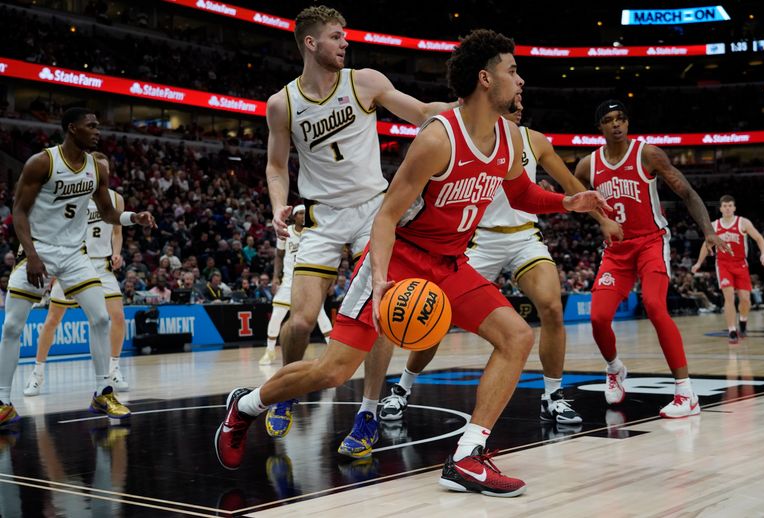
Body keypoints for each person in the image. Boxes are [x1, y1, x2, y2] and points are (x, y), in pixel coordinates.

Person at [215, 28, 608, 496]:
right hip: (401, 257)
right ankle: (247, 405)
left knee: (516, 336)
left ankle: (467, 456)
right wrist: (379, 280)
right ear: (485, 79)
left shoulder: (508, 137)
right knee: (334, 370)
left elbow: (521, 193)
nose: (520, 80)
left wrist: (567, 203)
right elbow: (386, 216)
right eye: (512, 70)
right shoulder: (439, 139)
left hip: (449, 262)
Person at [263, 5, 457, 445]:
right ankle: (284, 393)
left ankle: (367, 413)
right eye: (336, 36)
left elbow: (424, 111)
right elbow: (277, 166)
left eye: (345, 36)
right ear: (311, 43)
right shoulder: (282, 104)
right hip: (321, 217)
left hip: (374, 210)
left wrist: (469, 107)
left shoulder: (364, 81)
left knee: (384, 314)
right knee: (299, 322)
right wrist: (278, 204)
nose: (345, 43)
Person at [375, 101, 624, 428]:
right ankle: (403, 387)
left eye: (522, 94)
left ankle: (553, 395)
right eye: (513, 90)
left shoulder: (532, 140)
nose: (519, 100)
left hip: (523, 236)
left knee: (551, 306)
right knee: (436, 310)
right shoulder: (467, 137)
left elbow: (569, 185)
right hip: (478, 238)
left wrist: (601, 219)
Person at [574, 100, 729, 419]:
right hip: (616, 249)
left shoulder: (648, 154)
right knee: (598, 318)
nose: (616, 124)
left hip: (650, 243)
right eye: (608, 119)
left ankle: (686, 392)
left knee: (655, 305)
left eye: (621, 118)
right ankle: (615, 369)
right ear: (599, 127)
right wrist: (601, 220)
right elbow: (579, 199)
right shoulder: (587, 166)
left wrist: (708, 230)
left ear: (627, 123)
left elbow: (686, 192)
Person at [0, 108, 154, 427]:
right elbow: (18, 211)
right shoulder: (42, 162)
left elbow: (109, 213)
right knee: (13, 326)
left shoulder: (97, 169)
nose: (98, 131)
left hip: (74, 254)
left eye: (98, 125)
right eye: (91, 126)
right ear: (72, 129)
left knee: (100, 318)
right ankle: (2, 400)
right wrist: (31, 254)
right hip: (38, 250)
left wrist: (133, 218)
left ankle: (102, 391)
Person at [23, 152, 130, 397]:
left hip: (101, 267)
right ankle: (37, 373)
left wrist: (117, 252)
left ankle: (114, 369)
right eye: (97, 168)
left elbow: (117, 232)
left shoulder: (115, 198)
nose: (102, 173)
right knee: (52, 320)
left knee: (118, 317)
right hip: (73, 263)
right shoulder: (73, 196)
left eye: (105, 169)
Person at [691, 195, 764, 343]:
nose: (727, 208)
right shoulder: (714, 226)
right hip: (723, 264)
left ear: (734, 208)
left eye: (730, 206)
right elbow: (705, 245)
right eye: (724, 206)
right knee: (729, 297)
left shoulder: (743, 223)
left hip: (740, 264)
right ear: (720, 209)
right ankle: (732, 330)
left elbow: (759, 238)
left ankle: (743, 321)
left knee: (745, 299)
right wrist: (698, 263)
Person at [260, 206, 332, 365]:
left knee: (320, 314)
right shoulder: (286, 231)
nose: (303, 216)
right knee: (277, 314)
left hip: (308, 279)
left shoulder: (313, 232)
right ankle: (270, 351)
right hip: (288, 280)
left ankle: (332, 349)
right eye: (299, 213)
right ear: (294, 216)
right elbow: (279, 256)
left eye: (304, 213)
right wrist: (275, 278)